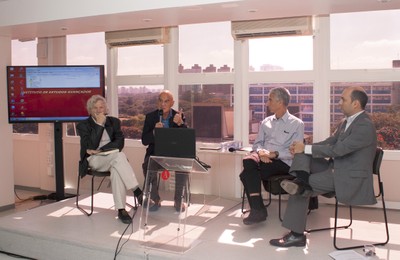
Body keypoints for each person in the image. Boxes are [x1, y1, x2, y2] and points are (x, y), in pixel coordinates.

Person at [270, 86, 377, 247]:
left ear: (355, 104)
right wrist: (302, 147)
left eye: (343, 99)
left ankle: (297, 235)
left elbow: (338, 150)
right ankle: (302, 182)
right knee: (303, 154)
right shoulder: (345, 122)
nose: (339, 103)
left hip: (348, 178)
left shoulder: (364, 126)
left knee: (298, 189)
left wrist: (305, 148)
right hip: (336, 169)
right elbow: (329, 142)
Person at [240, 87, 304, 225]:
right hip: (263, 159)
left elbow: (296, 152)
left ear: (280, 102)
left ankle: (258, 210)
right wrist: (262, 153)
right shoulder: (265, 122)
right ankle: (258, 210)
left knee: (245, 174)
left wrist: (274, 154)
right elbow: (257, 145)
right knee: (248, 162)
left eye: (270, 99)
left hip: (283, 163)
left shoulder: (297, 124)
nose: (267, 103)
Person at [77, 95, 143, 224]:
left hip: (110, 156)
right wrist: (100, 125)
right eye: (95, 108)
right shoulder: (83, 125)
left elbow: (120, 143)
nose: (98, 110)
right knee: (119, 157)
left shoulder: (114, 122)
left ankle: (121, 209)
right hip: (94, 160)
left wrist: (102, 150)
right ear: (90, 110)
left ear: (105, 109)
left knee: (117, 164)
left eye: (101, 107)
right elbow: (90, 146)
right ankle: (136, 190)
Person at [141, 90, 188, 212]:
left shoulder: (179, 115)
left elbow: (186, 138)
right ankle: (154, 199)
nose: (163, 104)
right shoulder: (151, 117)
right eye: (160, 100)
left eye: (166, 101)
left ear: (172, 103)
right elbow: (145, 140)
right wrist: (154, 132)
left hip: (174, 154)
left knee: (183, 166)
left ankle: (178, 200)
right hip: (156, 154)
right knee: (147, 165)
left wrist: (181, 124)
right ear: (158, 102)